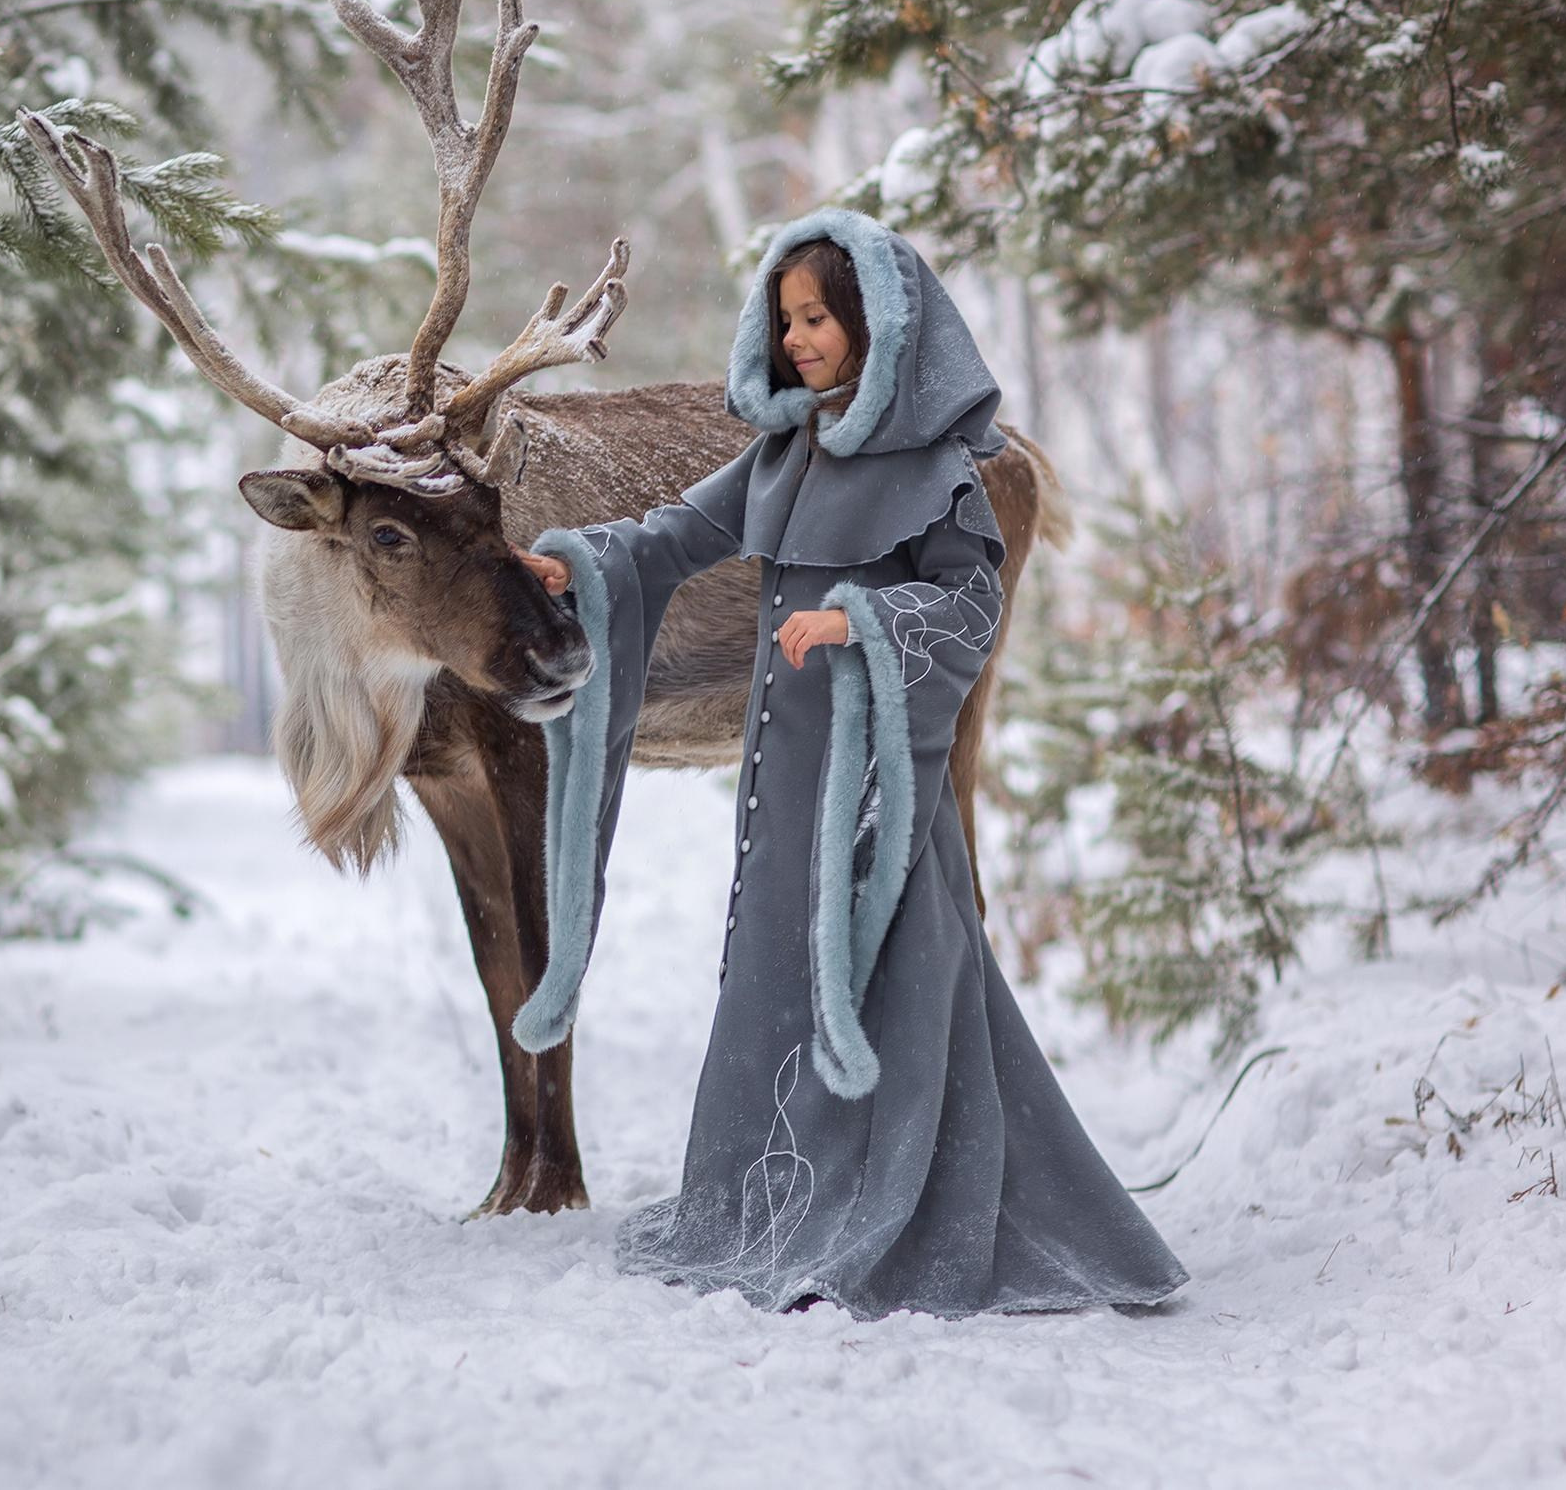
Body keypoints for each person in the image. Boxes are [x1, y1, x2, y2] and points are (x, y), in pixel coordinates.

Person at [508, 208, 1190, 1319]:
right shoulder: (787, 449)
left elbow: (966, 601)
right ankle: (781, 1195)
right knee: (780, 960)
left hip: (875, 780)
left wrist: (859, 624)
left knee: (903, 967)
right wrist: (578, 564)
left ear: (875, 325)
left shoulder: (935, 469)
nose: (798, 342)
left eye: (817, 318)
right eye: (785, 323)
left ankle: (911, 1204)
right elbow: (677, 536)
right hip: (786, 782)